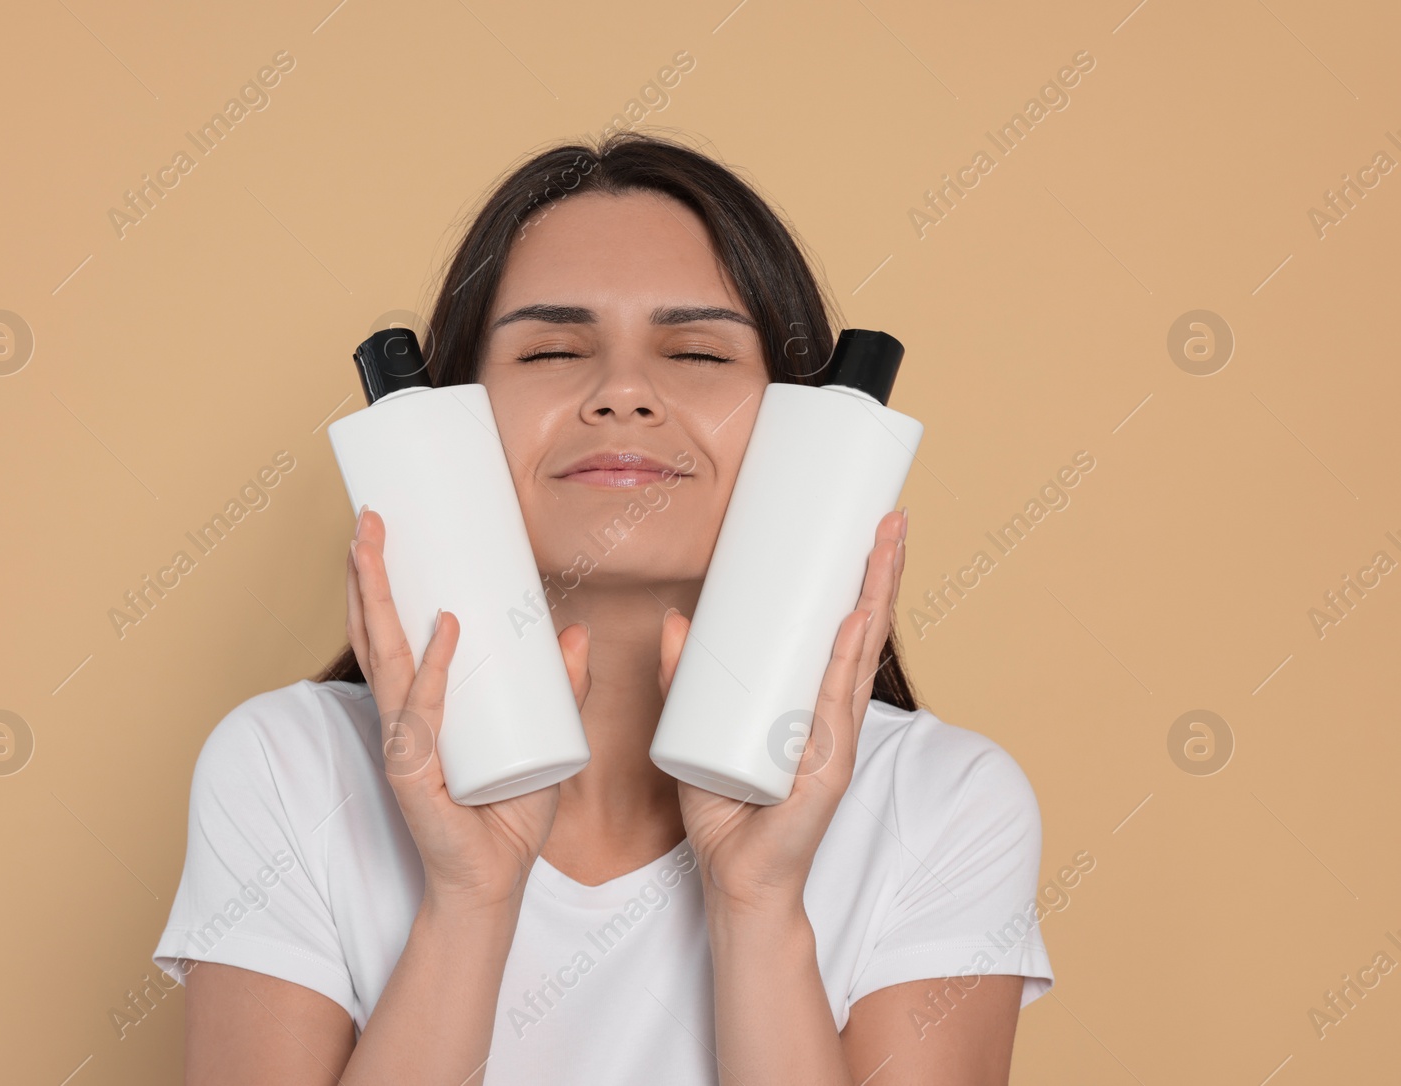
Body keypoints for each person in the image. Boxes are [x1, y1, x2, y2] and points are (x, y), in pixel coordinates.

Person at [152, 131, 1053, 1084]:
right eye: (551, 349)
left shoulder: (945, 804)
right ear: (443, 422)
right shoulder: (287, 771)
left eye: (698, 351)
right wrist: (470, 898)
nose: (623, 393)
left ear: (812, 428)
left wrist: (756, 904)